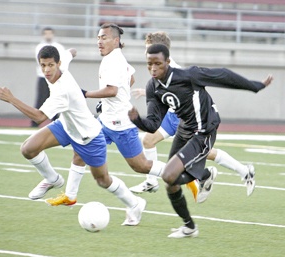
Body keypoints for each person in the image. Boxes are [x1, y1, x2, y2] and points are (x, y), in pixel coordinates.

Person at [128, 43, 273, 238]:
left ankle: (203, 177)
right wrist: (137, 120)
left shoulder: (188, 76)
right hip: (185, 129)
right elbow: (153, 124)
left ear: (168, 62)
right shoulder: (153, 87)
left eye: (158, 63)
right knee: (170, 182)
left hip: (204, 130)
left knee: (169, 175)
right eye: (149, 64)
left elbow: (222, 75)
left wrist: (255, 86)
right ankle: (189, 226)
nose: (153, 68)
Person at [0, 45, 145, 226]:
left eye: (51, 65)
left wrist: (11, 98)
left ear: (58, 64)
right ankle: (52, 179)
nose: (47, 70)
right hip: (66, 127)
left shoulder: (62, 91)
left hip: (89, 137)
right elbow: (71, 53)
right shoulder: (62, 63)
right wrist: (71, 52)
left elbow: (39, 117)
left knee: (103, 180)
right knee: (28, 149)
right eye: (43, 65)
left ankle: (135, 203)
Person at [46, 23, 169, 209]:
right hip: (104, 120)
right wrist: (114, 98)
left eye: (104, 38)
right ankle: (70, 196)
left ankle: (179, 173)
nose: (99, 41)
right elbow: (131, 78)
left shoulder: (115, 61)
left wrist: (85, 94)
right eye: (98, 38)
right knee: (81, 149)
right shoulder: (114, 58)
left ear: (116, 40)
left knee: (140, 165)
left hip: (121, 124)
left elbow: (112, 90)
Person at [129, 31, 256, 199]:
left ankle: (236, 172)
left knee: (203, 153)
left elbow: (182, 90)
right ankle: (153, 181)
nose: (146, 53)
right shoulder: (158, 66)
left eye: (148, 49)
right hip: (172, 116)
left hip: (183, 118)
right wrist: (147, 93)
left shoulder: (173, 69)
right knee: (149, 140)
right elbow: (165, 91)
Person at [31, 27, 77, 127]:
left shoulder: (59, 48)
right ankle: (34, 124)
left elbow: (72, 52)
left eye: (50, 33)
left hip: (57, 79)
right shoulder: (39, 47)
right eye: (46, 33)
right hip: (43, 78)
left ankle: (57, 122)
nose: (48, 35)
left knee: (57, 100)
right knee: (41, 100)